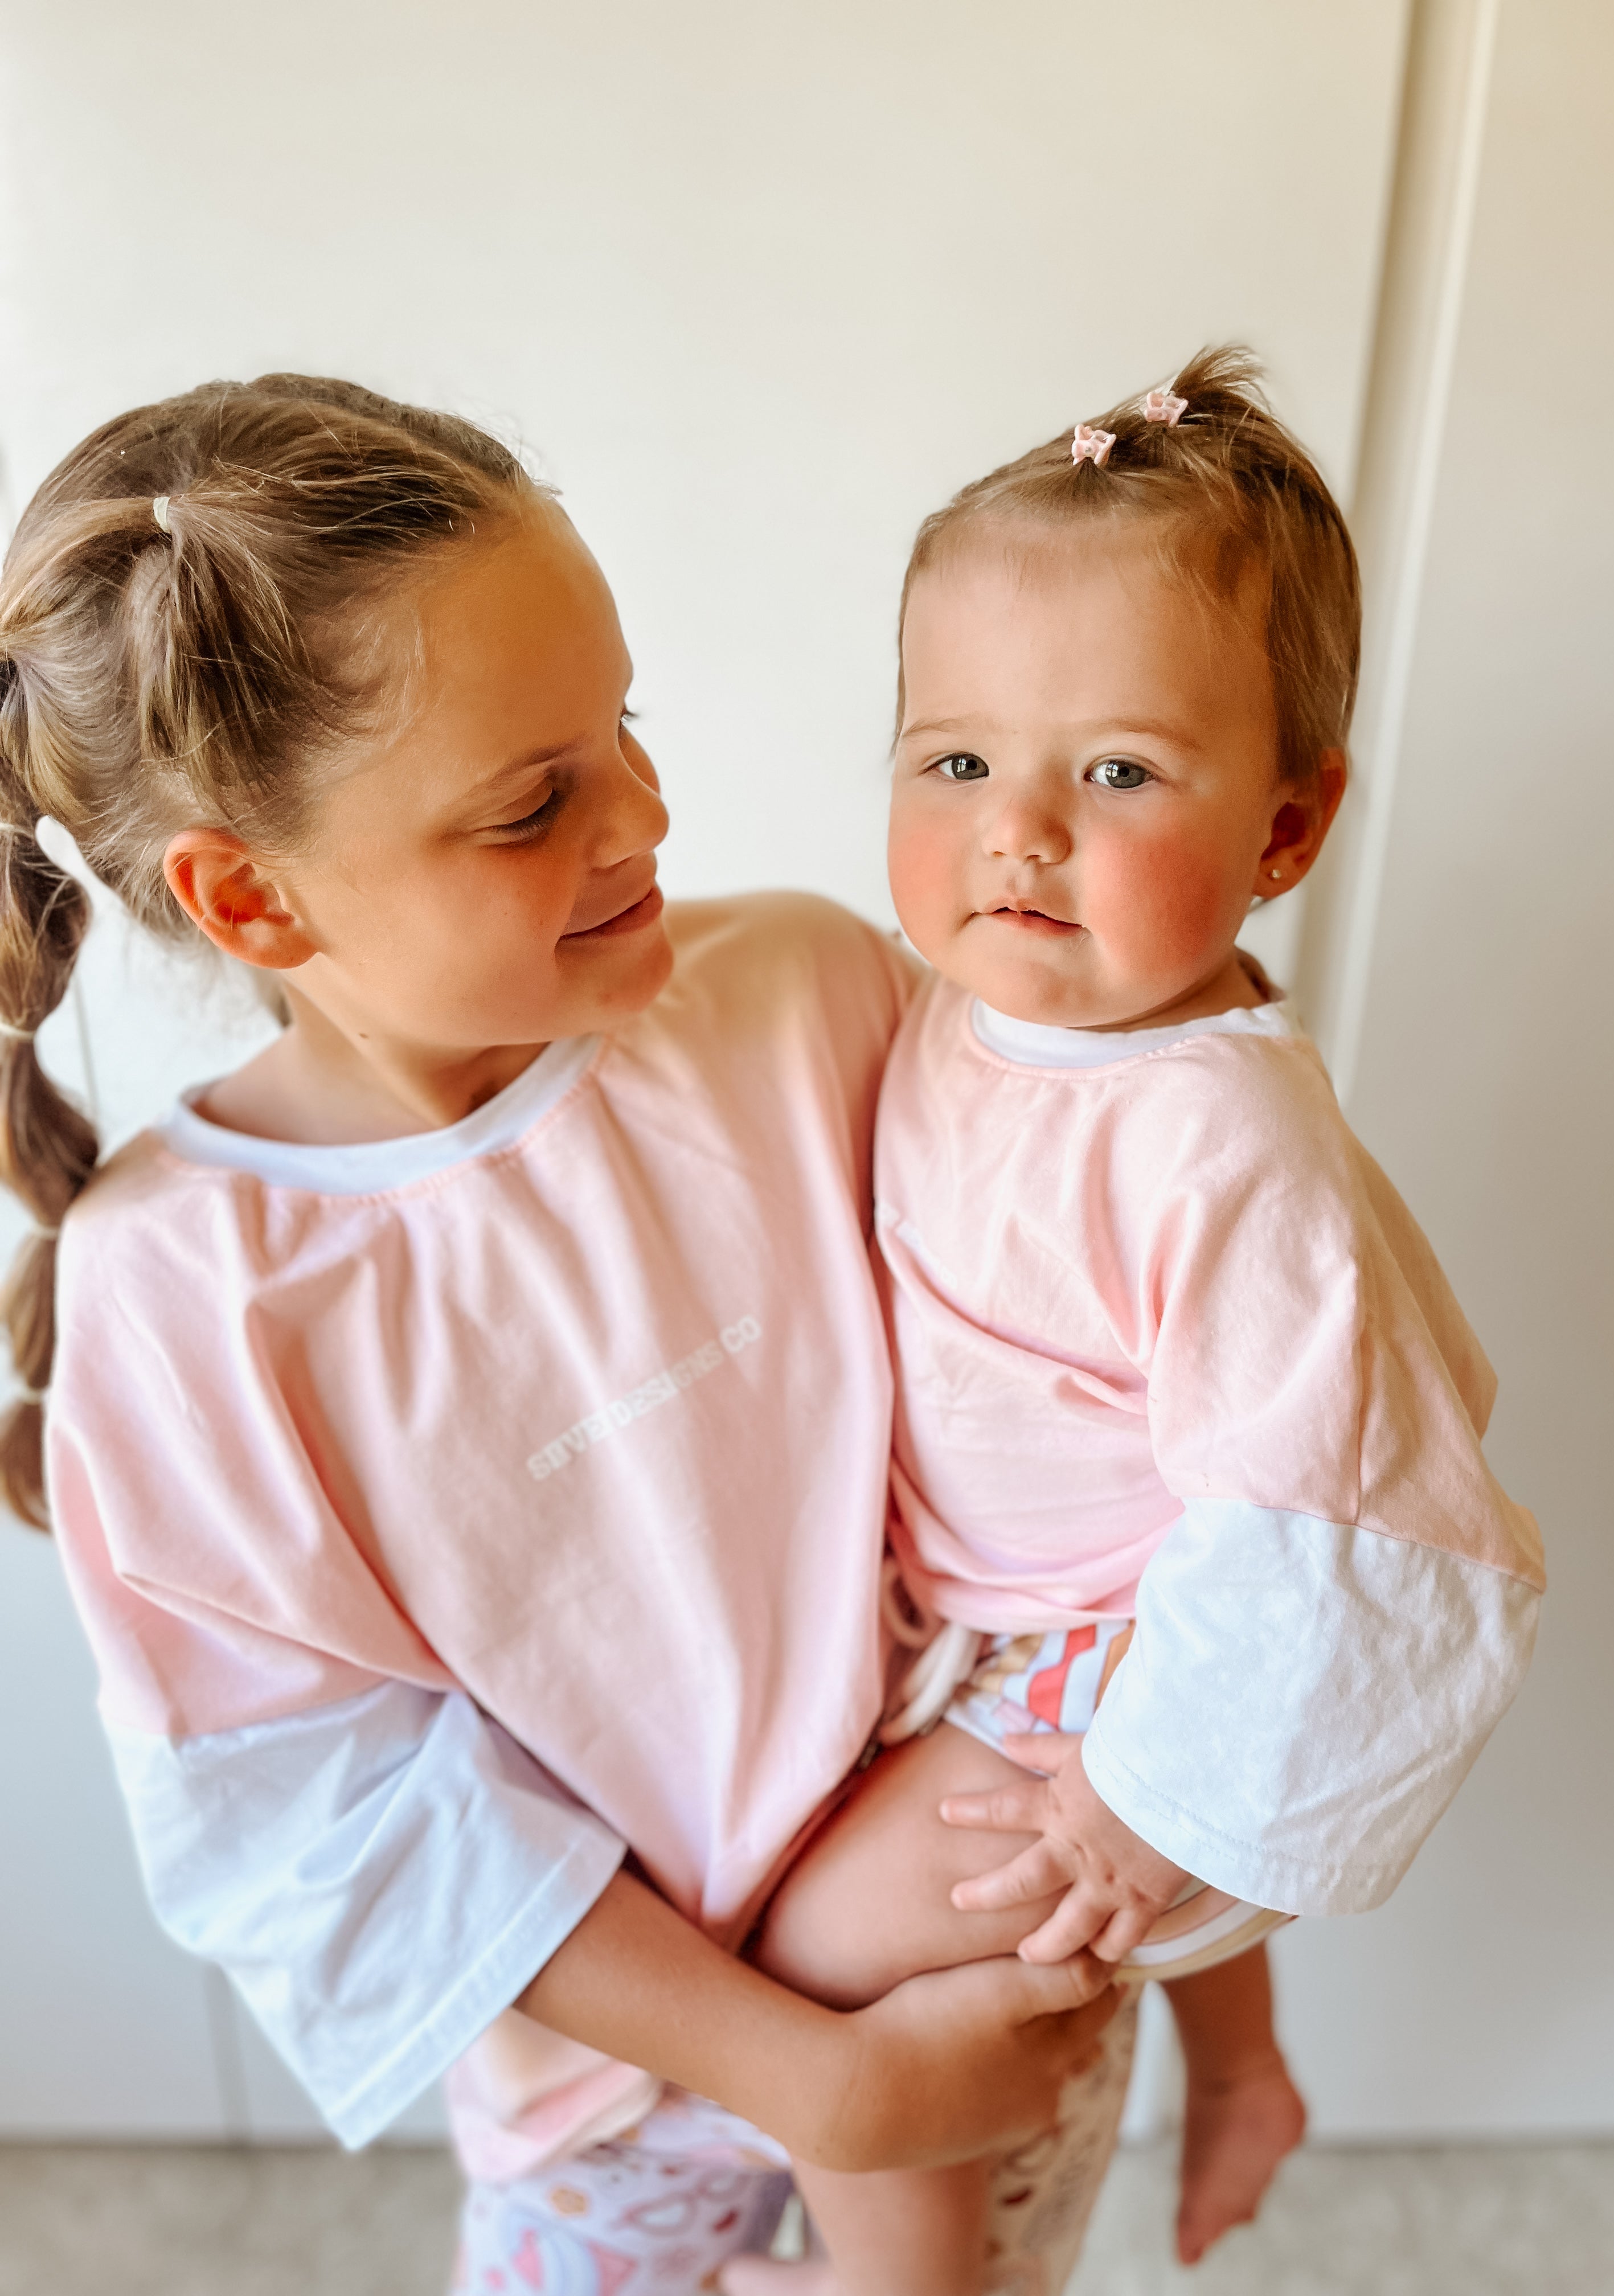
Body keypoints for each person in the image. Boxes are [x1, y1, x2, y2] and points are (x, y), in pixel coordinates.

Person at [0, 376, 1121, 2293]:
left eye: (625, 732)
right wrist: (816, 2084)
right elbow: (339, 1814)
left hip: (965, 1956)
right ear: (249, 897)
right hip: (617, 2101)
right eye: (534, 802)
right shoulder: (184, 1298)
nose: (648, 815)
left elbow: (1081, 1424)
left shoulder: (807, 1001)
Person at [730, 348, 1546, 2288]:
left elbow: (1325, 1515)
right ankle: (1244, 2070)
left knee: (811, 1944)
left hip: (1106, 1653)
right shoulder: (979, 998)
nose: (1017, 830)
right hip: (982, 1573)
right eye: (954, 762)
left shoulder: (1219, 1141)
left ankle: (910, 2277)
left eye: (1113, 772)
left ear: (1285, 827)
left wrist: (1139, 1797)